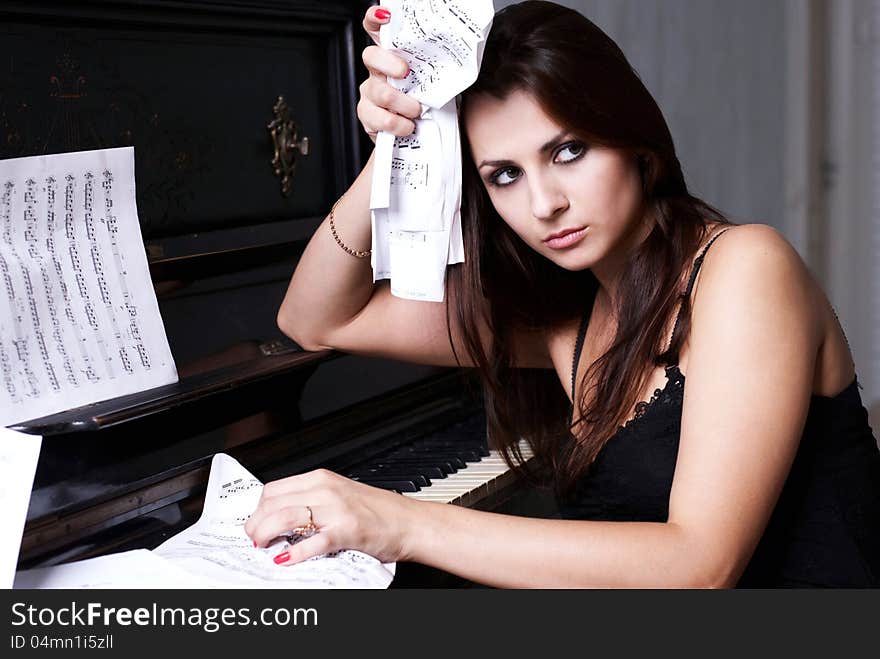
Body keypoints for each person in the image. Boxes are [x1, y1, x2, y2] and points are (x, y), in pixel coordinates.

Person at [244, 1, 880, 588]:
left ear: (636, 144)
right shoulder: (563, 323)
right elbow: (316, 318)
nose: (545, 204)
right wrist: (403, 143)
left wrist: (401, 523)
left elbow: (701, 566)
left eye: (569, 150)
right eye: (506, 175)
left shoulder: (744, 267)